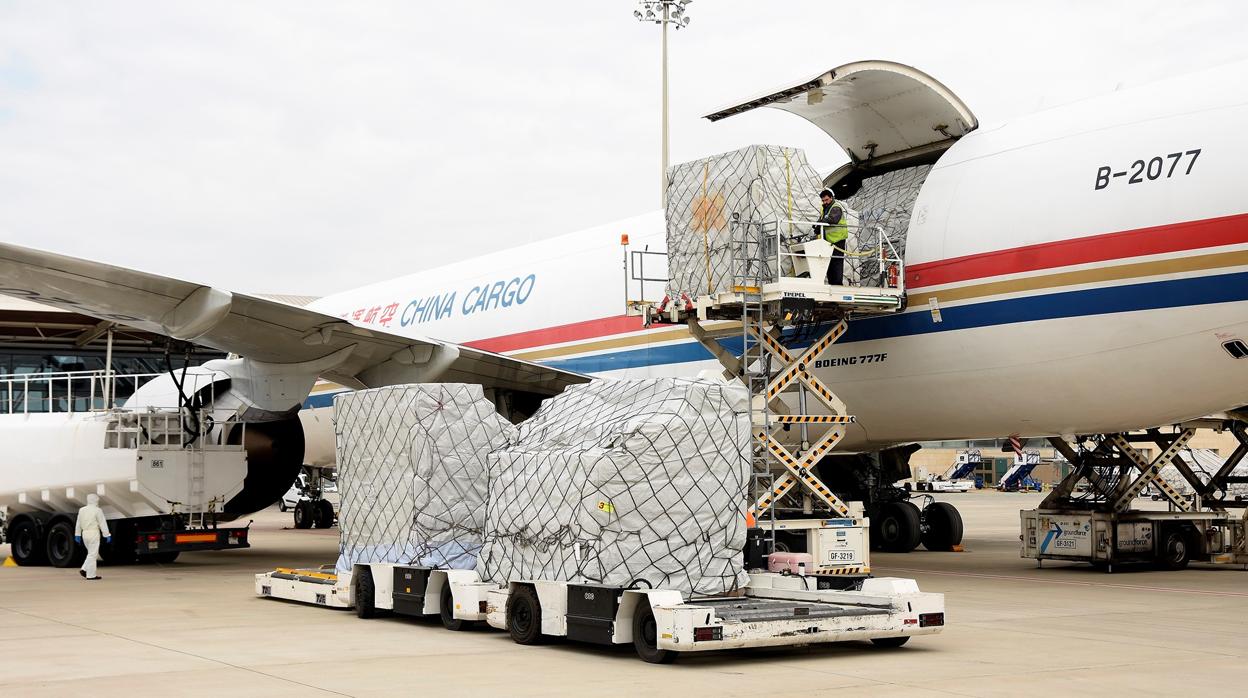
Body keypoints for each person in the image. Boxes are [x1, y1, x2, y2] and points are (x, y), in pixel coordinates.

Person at [815, 189, 849, 285]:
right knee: (829, 263)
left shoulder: (836, 207)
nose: (825, 202)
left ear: (831, 198)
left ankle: (837, 284)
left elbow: (832, 219)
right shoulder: (825, 208)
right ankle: (831, 284)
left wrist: (820, 223)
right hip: (829, 242)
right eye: (823, 201)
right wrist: (817, 227)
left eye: (826, 200)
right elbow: (822, 220)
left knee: (837, 263)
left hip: (838, 240)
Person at [74, 493, 110, 580]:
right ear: (96, 500)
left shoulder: (82, 510)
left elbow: (78, 523)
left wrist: (77, 534)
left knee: (91, 553)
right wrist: (107, 535)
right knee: (93, 555)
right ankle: (91, 575)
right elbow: (102, 523)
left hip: (84, 533)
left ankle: (84, 569)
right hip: (93, 533)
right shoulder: (97, 510)